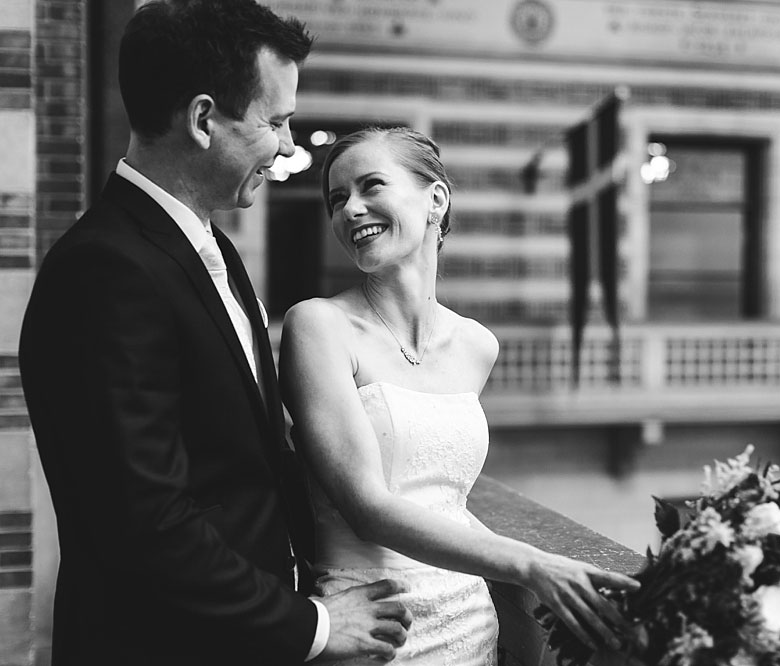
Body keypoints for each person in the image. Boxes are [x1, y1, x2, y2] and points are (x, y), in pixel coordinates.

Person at [18, 2, 412, 664]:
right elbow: (145, 523)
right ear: (204, 119)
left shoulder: (211, 249)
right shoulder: (103, 270)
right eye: (276, 121)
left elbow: (242, 465)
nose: (288, 146)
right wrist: (312, 626)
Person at [279, 126, 640, 664]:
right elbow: (368, 507)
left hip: (470, 618)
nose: (351, 209)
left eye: (371, 186)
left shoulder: (476, 345)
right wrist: (534, 563)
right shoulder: (318, 325)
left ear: (436, 199)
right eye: (337, 199)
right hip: (375, 625)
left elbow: (447, 500)